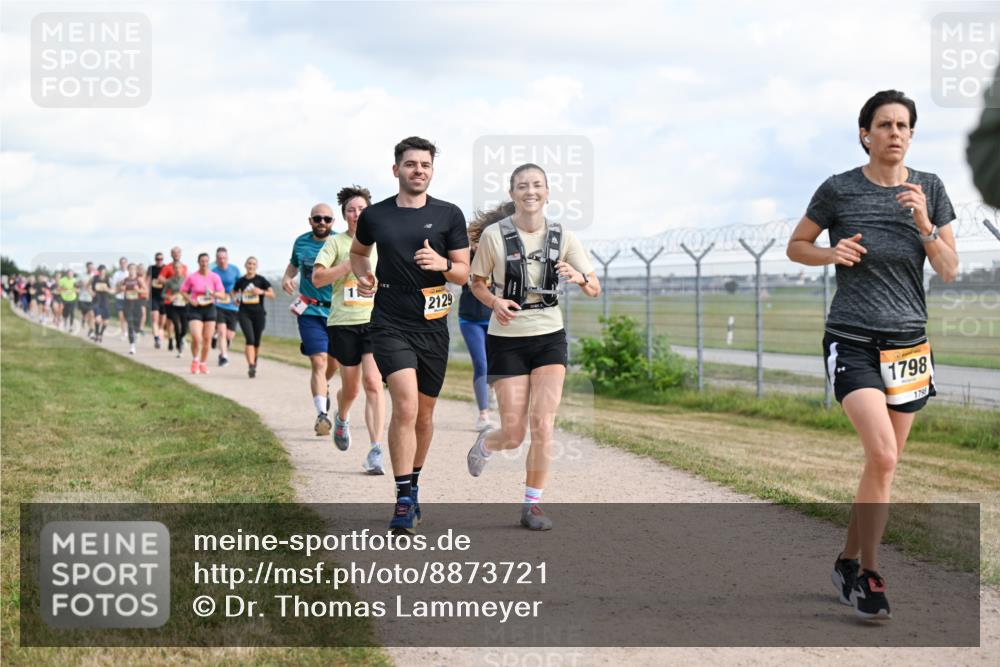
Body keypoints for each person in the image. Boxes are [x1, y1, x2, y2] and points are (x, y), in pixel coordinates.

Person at [786, 90, 959, 620]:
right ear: (866, 133)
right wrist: (828, 252)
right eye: (884, 124)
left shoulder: (928, 188)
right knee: (882, 456)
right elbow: (797, 245)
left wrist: (925, 224)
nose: (895, 133)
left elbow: (950, 268)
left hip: (908, 344)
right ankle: (870, 571)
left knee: (882, 467)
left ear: (911, 134)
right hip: (853, 338)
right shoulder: (838, 189)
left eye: (904, 125)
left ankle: (844, 561)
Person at [465, 164, 600, 531]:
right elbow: (476, 283)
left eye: (537, 185)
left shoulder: (563, 236)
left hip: (548, 336)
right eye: (522, 186)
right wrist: (494, 302)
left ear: (547, 192)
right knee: (514, 433)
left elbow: (594, 288)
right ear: (512, 194)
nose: (530, 191)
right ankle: (487, 444)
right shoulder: (494, 236)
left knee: (543, 424)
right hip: (507, 338)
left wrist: (578, 276)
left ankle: (532, 506)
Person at [350, 136, 470, 533]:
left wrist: (440, 263)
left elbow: (464, 273)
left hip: (433, 323)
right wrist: (363, 274)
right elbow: (358, 252)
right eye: (411, 164)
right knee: (404, 406)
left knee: (424, 414)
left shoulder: (450, 215)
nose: (419, 170)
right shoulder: (376, 215)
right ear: (396, 169)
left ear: (432, 171)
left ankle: (413, 484)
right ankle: (402, 498)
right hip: (389, 318)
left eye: (425, 165)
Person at [313, 185, 386, 474]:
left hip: (375, 320)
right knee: (352, 388)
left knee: (373, 382)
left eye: (362, 209)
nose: (357, 214)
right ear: (344, 215)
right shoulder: (335, 244)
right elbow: (318, 278)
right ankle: (341, 418)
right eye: (351, 210)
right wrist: (349, 264)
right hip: (343, 322)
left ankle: (375, 450)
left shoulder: (382, 243)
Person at [282, 203, 340, 436]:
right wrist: (287, 278)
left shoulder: (340, 242)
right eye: (318, 219)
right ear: (310, 221)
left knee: (332, 364)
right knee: (319, 361)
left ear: (333, 222)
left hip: (337, 312)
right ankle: (322, 415)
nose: (322, 223)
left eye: (327, 219)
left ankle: (322, 388)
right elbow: (293, 267)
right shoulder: (301, 242)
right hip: (310, 311)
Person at [459, 217, 502, 432]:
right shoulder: (465, 257)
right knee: (481, 363)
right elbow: (459, 278)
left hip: (495, 317)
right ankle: (483, 415)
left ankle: (492, 387)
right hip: (470, 318)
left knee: (496, 363)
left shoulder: (498, 255)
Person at [180, 253, 225, 374]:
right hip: (195, 308)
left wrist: (213, 293)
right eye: (202, 261)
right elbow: (183, 291)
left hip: (210, 308)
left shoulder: (214, 277)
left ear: (209, 262)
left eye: (206, 261)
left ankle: (203, 363)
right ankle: (195, 360)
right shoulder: (192, 277)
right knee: (196, 336)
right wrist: (190, 300)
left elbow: (222, 294)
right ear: (198, 262)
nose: (204, 263)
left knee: (207, 339)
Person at [233, 257, 274, 378]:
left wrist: (261, 292)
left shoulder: (261, 280)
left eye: (253, 264)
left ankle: (254, 362)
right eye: (249, 263)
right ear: (245, 265)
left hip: (259, 314)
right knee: (249, 339)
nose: (251, 266)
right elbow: (234, 292)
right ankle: (251, 365)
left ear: (256, 266)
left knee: (256, 341)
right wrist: (236, 299)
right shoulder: (241, 281)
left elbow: (272, 294)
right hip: (244, 313)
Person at [211, 247, 241, 367]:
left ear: (227, 258)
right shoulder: (213, 272)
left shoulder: (235, 270)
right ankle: (224, 356)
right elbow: (210, 287)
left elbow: (241, 286)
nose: (222, 260)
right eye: (219, 258)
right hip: (218, 305)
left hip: (233, 306)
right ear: (216, 259)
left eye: (224, 258)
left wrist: (239, 298)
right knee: (222, 332)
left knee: (229, 335)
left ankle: (222, 347)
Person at [159, 248, 188, 357]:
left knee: (184, 328)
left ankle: (180, 338)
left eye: (179, 268)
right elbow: (163, 293)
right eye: (175, 268)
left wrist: (187, 297)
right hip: (174, 306)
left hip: (184, 306)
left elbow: (192, 292)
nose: (177, 269)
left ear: (182, 269)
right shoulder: (170, 281)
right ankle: (179, 346)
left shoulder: (187, 280)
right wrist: (169, 296)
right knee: (176, 324)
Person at [118, 263, 146, 355]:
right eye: (130, 269)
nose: (131, 271)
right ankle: (132, 346)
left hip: (136, 304)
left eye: (133, 269)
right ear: (128, 270)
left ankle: (137, 332)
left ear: (136, 270)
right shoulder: (125, 280)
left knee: (136, 325)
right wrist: (121, 288)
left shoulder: (139, 280)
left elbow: (145, 291)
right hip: (127, 304)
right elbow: (118, 288)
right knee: (130, 324)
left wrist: (138, 290)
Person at [148, 252, 166, 348]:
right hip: (153, 297)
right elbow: (147, 281)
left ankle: (160, 331)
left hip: (164, 297)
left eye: (161, 259)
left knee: (162, 321)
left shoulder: (166, 268)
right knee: (155, 318)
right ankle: (156, 339)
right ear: (155, 259)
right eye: (157, 259)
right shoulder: (151, 269)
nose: (159, 261)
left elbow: (171, 281)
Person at [90, 265, 112, 343]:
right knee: (98, 320)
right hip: (96, 301)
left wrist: (107, 289)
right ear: (98, 271)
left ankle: (100, 334)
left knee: (105, 322)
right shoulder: (94, 278)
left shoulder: (108, 279)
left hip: (105, 301)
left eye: (103, 271)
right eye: (100, 271)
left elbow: (111, 290)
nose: (102, 272)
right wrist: (91, 292)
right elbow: (88, 286)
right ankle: (96, 334)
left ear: (105, 271)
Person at [110, 257, 129, 340]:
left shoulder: (129, 273)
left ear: (127, 263)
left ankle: (130, 331)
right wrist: (120, 284)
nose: (123, 264)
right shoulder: (116, 274)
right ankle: (123, 332)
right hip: (119, 297)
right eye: (122, 263)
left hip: (129, 298)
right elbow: (113, 286)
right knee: (121, 316)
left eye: (125, 262)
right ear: (120, 264)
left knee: (128, 316)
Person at [76, 272, 94, 337]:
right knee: (85, 314)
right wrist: (81, 283)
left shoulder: (94, 276)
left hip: (91, 299)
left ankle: (91, 330)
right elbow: (76, 285)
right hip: (82, 299)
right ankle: (84, 319)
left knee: (91, 314)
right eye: (90, 267)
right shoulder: (81, 275)